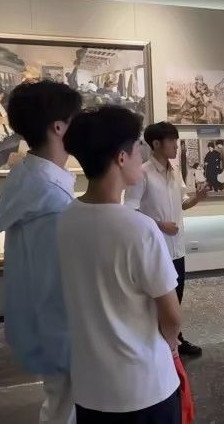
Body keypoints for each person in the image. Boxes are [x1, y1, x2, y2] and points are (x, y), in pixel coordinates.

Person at [58, 107, 182, 423]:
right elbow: (171, 317)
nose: (142, 156)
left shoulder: (65, 219)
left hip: (90, 386)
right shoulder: (139, 228)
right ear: (122, 158)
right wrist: (171, 347)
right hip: (144, 386)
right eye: (138, 148)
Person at [0, 80, 82, 424]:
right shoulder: (50, 196)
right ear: (59, 127)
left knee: (60, 402)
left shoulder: (27, 176)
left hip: (45, 326)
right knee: (67, 407)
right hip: (61, 328)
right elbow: (55, 280)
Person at [124, 121, 206, 357]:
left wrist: (197, 198)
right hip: (155, 249)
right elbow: (130, 210)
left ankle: (175, 340)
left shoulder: (175, 170)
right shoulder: (142, 173)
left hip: (177, 248)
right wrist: (159, 225)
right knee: (159, 300)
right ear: (156, 143)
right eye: (172, 141)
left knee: (176, 296)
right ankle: (160, 345)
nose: (176, 146)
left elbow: (182, 203)